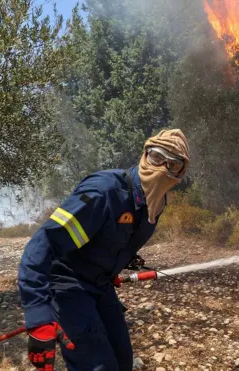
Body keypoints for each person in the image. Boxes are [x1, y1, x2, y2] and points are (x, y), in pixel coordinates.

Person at [17, 129, 190, 371]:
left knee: (122, 361)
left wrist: (114, 267)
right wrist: (37, 317)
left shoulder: (155, 204)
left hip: (101, 285)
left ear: (181, 172)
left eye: (174, 164)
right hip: (68, 285)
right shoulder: (103, 193)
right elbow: (44, 244)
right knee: (98, 366)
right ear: (145, 154)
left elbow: (112, 239)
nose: (163, 169)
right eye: (157, 158)